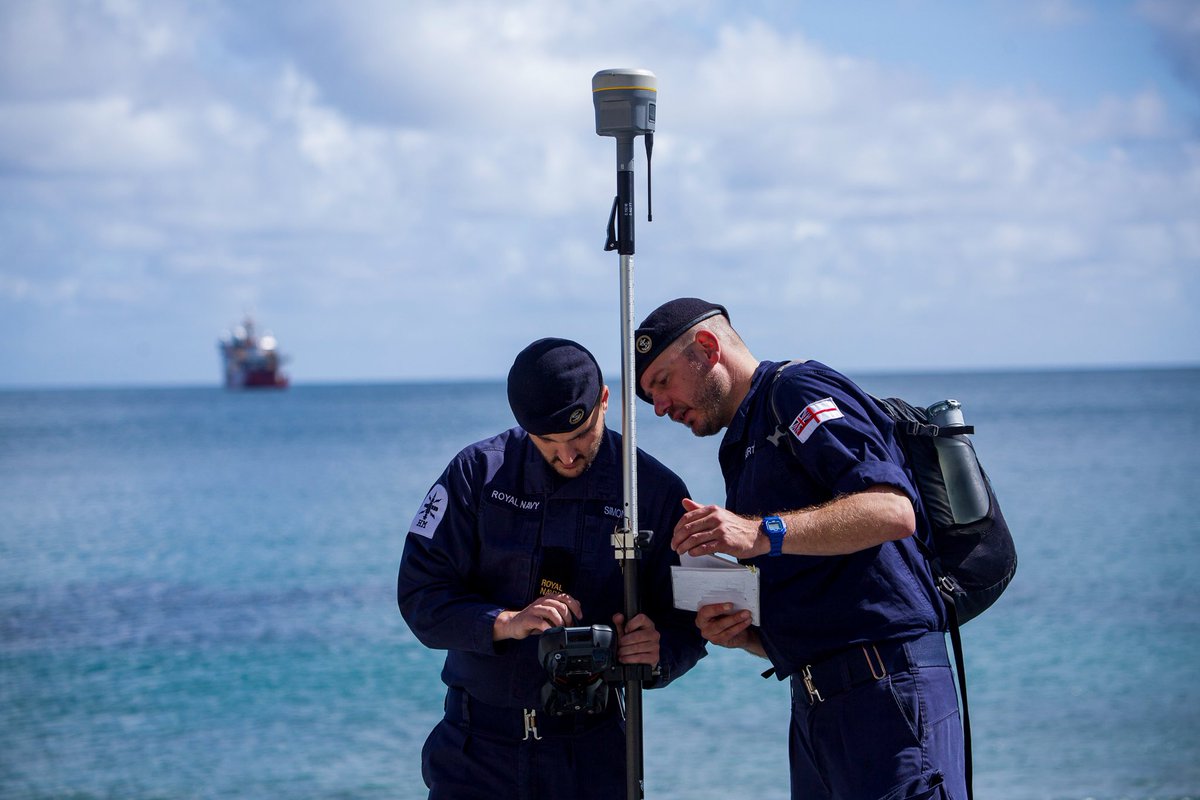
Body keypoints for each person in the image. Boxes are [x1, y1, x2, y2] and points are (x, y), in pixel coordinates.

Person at [633, 298, 967, 800]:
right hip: (815, 703)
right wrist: (745, 634)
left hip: (886, 688)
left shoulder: (796, 390)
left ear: (707, 348)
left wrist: (758, 533)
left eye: (662, 382)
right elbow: (819, 588)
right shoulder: (741, 441)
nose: (660, 407)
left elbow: (892, 510)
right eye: (649, 398)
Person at [399, 337, 707, 800]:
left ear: (605, 401)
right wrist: (505, 622)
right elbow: (421, 596)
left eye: (581, 436)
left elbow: (691, 620)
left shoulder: (653, 490)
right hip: (476, 750)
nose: (567, 456)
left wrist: (658, 651)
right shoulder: (476, 473)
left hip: (593, 752)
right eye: (549, 442)